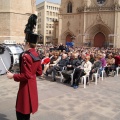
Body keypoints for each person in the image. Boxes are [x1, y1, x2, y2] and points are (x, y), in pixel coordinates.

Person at [7, 33, 42, 120]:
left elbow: (26, 75)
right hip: (32, 84)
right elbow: (39, 72)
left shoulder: (26, 56)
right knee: (27, 111)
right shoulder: (36, 54)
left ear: (28, 43)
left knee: (21, 111)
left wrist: (13, 76)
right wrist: (31, 75)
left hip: (25, 87)